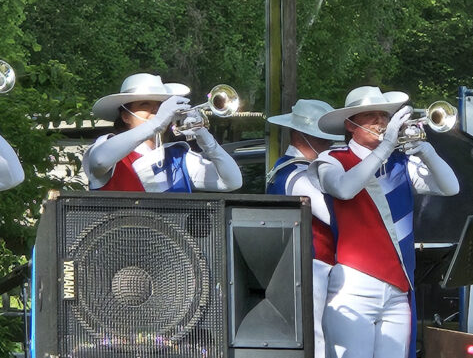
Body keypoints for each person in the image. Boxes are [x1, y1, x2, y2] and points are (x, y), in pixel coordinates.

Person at [308, 86, 459, 358]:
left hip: (397, 289)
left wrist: (427, 152)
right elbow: (344, 188)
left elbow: (450, 187)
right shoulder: (332, 159)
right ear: (350, 125)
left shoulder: (400, 162)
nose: (381, 122)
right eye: (371, 116)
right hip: (353, 286)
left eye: (384, 116)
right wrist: (387, 145)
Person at [265, 98, 343, 358]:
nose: (329, 144)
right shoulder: (296, 174)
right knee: (317, 342)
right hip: (312, 268)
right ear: (299, 135)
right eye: (321, 139)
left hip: (313, 267)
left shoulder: (287, 169)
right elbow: (334, 217)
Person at [83, 73, 242, 192]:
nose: (156, 110)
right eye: (145, 104)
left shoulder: (176, 156)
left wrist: (205, 138)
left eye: (160, 105)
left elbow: (232, 182)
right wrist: (157, 122)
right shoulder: (107, 146)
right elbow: (99, 161)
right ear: (125, 116)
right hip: (115, 235)